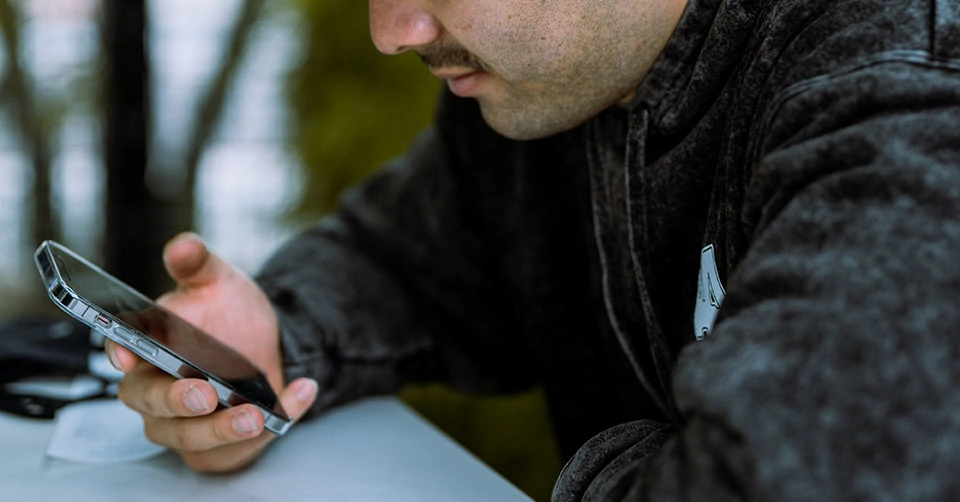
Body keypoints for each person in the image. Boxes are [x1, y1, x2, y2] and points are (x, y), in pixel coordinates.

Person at [107, 0, 960, 499]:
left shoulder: (906, 98)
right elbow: (399, 259)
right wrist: (274, 340)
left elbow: (784, 479)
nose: (391, 29)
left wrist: (632, 455)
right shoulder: (550, 88)